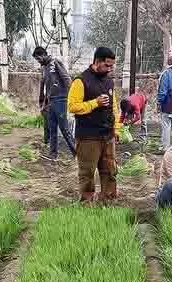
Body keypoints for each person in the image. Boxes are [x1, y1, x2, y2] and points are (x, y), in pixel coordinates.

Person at [68, 46, 122, 204]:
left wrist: (116, 129)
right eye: (107, 65)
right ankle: (86, 203)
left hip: (107, 136)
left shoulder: (109, 81)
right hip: (88, 137)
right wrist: (94, 103)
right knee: (87, 173)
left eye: (112, 65)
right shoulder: (81, 81)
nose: (110, 69)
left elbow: (114, 107)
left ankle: (108, 201)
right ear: (97, 62)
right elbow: (72, 106)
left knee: (110, 171)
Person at [32, 46, 75, 161]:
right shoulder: (44, 68)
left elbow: (66, 79)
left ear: (44, 54)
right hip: (50, 101)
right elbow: (45, 86)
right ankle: (53, 154)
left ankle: (76, 153)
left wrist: (72, 96)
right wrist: (43, 103)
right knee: (52, 128)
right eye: (37, 60)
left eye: (38, 58)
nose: (38, 61)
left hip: (61, 99)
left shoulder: (55, 63)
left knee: (64, 128)